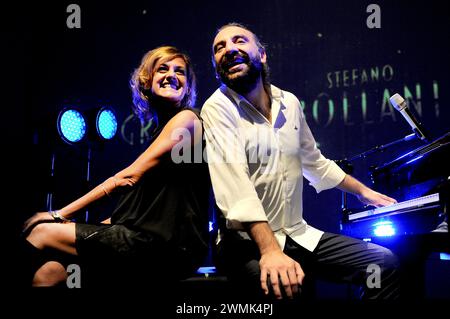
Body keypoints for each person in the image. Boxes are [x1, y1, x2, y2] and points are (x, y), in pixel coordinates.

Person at [200, 23, 401, 300]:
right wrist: (270, 251)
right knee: (286, 287)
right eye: (220, 48)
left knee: (383, 263)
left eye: (239, 41)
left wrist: (365, 193)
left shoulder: (289, 102)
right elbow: (237, 189)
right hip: (244, 244)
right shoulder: (217, 107)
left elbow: (314, 162)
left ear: (262, 55)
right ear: (216, 67)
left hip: (296, 234)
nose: (230, 49)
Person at [19, 46, 211, 288]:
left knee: (41, 232)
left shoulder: (188, 120)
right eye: (163, 68)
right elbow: (134, 215)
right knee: (51, 273)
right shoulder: (160, 133)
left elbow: (126, 178)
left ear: (188, 86)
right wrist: (78, 227)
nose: (172, 75)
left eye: (180, 71)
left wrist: (59, 214)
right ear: (146, 80)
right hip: (151, 242)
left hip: (169, 247)